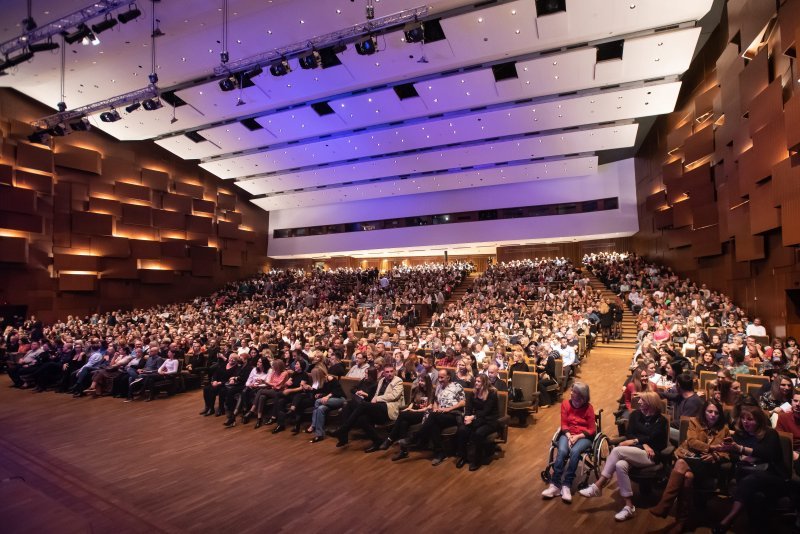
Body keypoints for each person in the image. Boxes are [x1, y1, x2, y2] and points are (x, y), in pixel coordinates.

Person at [579, 391, 668, 522]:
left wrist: (636, 441)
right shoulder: (635, 415)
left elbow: (653, 437)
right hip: (636, 452)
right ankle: (629, 507)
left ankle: (598, 486)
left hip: (652, 456)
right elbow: (630, 433)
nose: (639, 402)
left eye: (642, 400)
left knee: (617, 451)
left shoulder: (661, 420)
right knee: (620, 465)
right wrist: (642, 443)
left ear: (650, 403)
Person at [711, 399, 791, 532]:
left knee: (752, 481)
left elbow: (768, 454)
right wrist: (739, 454)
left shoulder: (770, 434)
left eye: (750, 419)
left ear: (759, 420)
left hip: (773, 476)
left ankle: (728, 520)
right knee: (756, 496)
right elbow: (734, 455)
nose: (745, 422)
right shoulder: (740, 434)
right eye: (743, 418)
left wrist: (741, 450)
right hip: (747, 473)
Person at [650, 399, 730, 531]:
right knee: (687, 476)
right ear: (704, 412)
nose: (713, 415)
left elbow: (727, 452)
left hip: (709, 465)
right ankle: (681, 521)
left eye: (716, 412)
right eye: (710, 411)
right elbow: (692, 442)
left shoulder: (724, 429)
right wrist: (712, 448)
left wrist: (716, 455)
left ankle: (665, 504)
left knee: (681, 463)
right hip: (692, 459)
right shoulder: (695, 422)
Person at [398, 367, 465, 466]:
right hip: (440, 415)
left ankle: (415, 438)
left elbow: (463, 402)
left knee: (433, 417)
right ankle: (440, 453)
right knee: (434, 424)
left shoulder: (456, 386)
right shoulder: (438, 387)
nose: (440, 380)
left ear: (448, 377)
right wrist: (436, 408)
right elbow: (436, 401)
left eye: (442, 377)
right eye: (439, 377)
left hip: (453, 414)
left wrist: (448, 409)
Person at [542, 382, 596, 503]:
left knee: (575, 451)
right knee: (561, 451)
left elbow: (592, 429)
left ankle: (567, 484)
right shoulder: (566, 404)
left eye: (574, 391)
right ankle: (555, 485)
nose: (571, 393)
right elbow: (564, 424)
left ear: (582, 395)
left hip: (584, 437)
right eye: (572, 390)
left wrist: (577, 437)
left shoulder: (589, 408)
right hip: (567, 434)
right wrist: (568, 435)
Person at [336, 364, 405, 451]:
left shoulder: (398, 381)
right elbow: (376, 394)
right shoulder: (382, 380)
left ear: (394, 371)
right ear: (383, 373)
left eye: (391, 371)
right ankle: (377, 441)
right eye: (387, 372)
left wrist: (377, 398)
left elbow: (394, 396)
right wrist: (374, 398)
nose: (389, 373)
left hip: (389, 408)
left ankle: (343, 430)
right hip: (378, 407)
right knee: (360, 416)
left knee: (362, 405)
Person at [381, 373, 434, 455]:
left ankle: (390, 438)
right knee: (403, 423)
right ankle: (403, 450)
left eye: (422, 381)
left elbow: (430, 407)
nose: (420, 382)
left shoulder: (432, 392)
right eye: (419, 380)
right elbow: (412, 402)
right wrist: (409, 408)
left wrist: (415, 411)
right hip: (414, 411)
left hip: (424, 414)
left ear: (427, 382)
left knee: (403, 415)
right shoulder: (417, 389)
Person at [455, 373, 500, 471]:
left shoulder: (492, 393)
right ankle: (463, 456)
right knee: (462, 430)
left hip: (489, 420)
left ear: (484, 383)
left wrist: (472, 417)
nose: (476, 383)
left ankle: (476, 460)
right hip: (476, 419)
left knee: (478, 433)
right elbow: (468, 408)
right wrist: (467, 416)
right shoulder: (473, 393)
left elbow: (486, 411)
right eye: (476, 381)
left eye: (479, 381)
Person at [307, 371, 347, 443]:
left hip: (340, 399)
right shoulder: (324, 381)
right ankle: (320, 435)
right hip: (331, 401)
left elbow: (337, 392)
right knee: (320, 408)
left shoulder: (331, 379)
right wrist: (319, 394)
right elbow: (324, 391)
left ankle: (313, 425)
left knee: (318, 401)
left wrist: (327, 396)